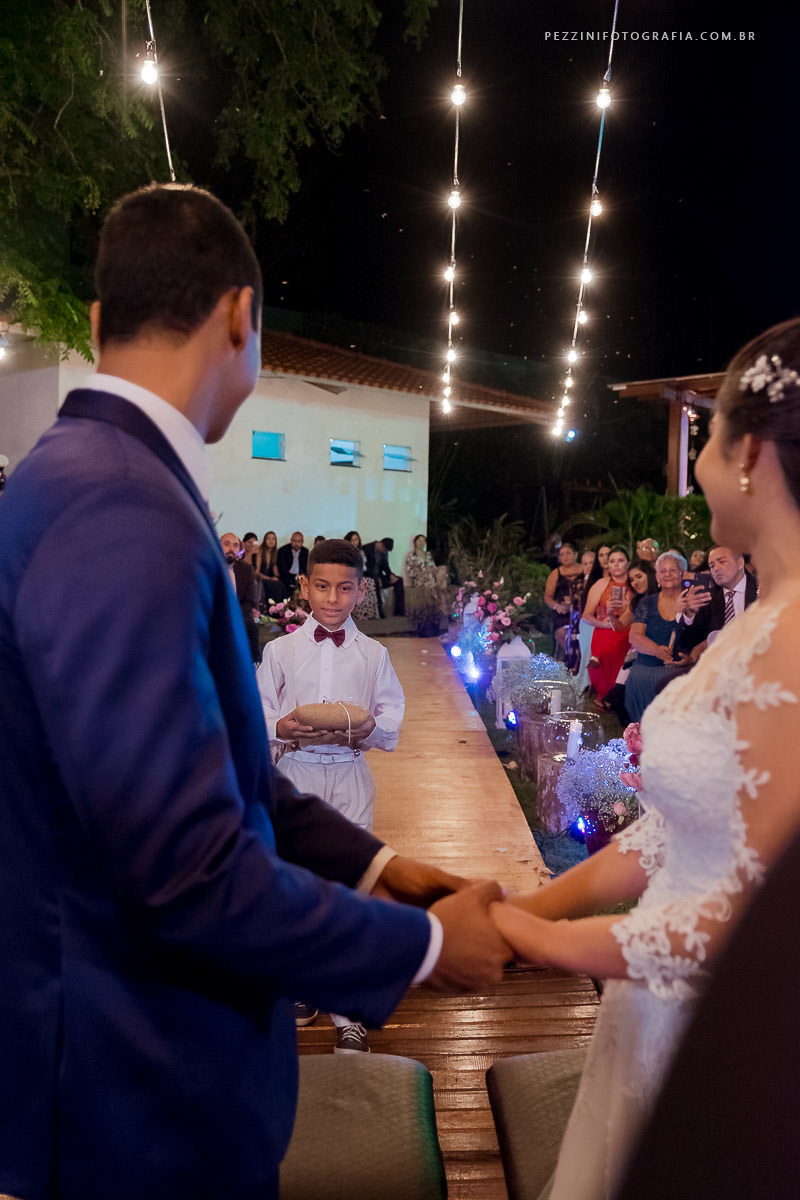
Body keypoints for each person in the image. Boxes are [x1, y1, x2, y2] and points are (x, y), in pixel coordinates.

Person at [0, 183, 512, 1200]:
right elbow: (183, 866)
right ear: (242, 318)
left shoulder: (90, 473)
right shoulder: (121, 503)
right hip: (134, 1090)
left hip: (126, 1065)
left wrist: (386, 871)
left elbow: (222, 770)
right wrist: (419, 945)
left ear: (99, 324)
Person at [489, 315, 800, 1200]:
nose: (696, 467)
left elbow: (745, 922)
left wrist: (537, 940)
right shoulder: (761, 625)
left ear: (748, 451)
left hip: (710, 1031)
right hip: (647, 1012)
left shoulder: (793, 643)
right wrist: (535, 902)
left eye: (704, 440)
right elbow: (678, 836)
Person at [258, 538, 405, 1053]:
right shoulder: (280, 651)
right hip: (296, 775)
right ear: (304, 586)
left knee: (351, 887)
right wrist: (285, 727)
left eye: (345, 589)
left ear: (361, 590)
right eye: (322, 586)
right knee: (298, 882)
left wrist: (361, 731)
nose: (333, 599)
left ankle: (349, 1008)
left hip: (349, 774)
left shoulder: (373, 653)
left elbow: (391, 718)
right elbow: (259, 714)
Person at [624, 550, 688, 721]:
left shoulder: (692, 601)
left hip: (680, 671)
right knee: (638, 677)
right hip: (646, 669)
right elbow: (635, 636)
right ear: (657, 577)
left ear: (682, 574)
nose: (667, 574)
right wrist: (657, 650)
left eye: (672, 570)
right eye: (662, 571)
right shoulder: (647, 602)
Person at [675, 544, 758, 660]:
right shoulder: (708, 597)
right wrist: (689, 614)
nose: (716, 569)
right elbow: (685, 644)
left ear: (740, 563)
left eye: (722, 562)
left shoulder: (764, 591)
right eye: (712, 565)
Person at [582, 546, 633, 707]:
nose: (616, 565)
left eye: (620, 560)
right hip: (604, 629)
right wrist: (603, 623)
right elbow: (586, 615)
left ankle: (619, 694)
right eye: (612, 561)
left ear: (628, 563)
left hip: (629, 629)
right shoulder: (601, 584)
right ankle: (608, 693)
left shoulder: (635, 583)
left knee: (622, 645)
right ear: (608, 565)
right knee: (605, 650)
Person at [220, 530, 261, 662]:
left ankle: (254, 665)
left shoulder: (246, 569)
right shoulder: (210, 567)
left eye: (235, 545)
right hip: (215, 613)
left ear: (239, 549)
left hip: (239, 613)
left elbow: (249, 600)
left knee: (250, 625)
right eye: (226, 544)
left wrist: (235, 615)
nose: (231, 549)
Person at [543, 542, 585, 653]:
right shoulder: (555, 574)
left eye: (568, 553)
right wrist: (557, 606)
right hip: (564, 613)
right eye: (561, 554)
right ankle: (571, 655)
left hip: (584, 612)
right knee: (561, 633)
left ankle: (584, 655)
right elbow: (548, 597)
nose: (565, 557)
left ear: (576, 554)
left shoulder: (585, 570)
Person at [363, 536, 405, 617]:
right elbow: (364, 568)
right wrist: (376, 577)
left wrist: (390, 575)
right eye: (384, 550)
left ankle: (399, 611)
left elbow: (385, 566)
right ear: (380, 544)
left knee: (399, 580)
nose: (385, 552)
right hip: (369, 576)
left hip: (379, 576)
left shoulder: (384, 552)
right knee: (376, 581)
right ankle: (379, 611)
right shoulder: (367, 548)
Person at [345, 529, 380, 621]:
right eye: (352, 540)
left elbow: (365, 568)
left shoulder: (361, 552)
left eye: (356, 539)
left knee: (370, 582)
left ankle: (369, 613)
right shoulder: (345, 552)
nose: (354, 542)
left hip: (360, 575)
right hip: (349, 576)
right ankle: (359, 614)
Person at [257, 529, 286, 606]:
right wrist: (270, 579)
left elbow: (275, 571)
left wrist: (276, 575)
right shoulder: (260, 551)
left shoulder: (275, 553)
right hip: (261, 577)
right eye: (268, 538)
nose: (271, 541)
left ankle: (280, 609)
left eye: (273, 539)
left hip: (269, 578)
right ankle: (271, 608)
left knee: (281, 584)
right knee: (272, 585)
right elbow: (256, 572)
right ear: (264, 540)